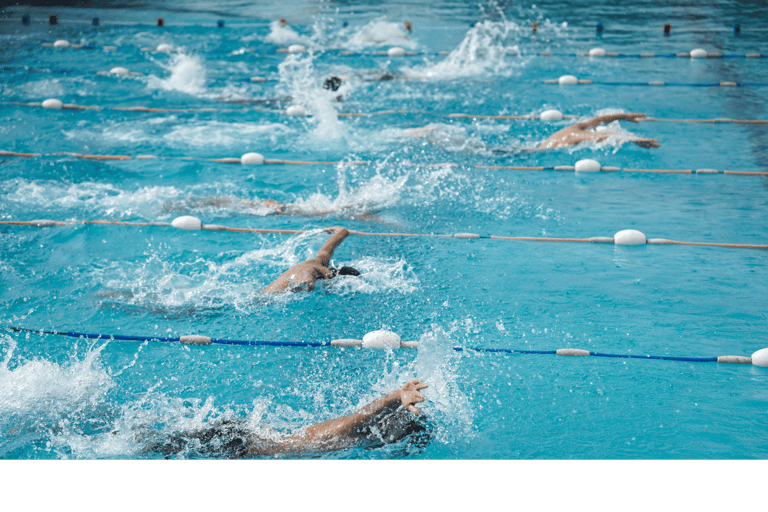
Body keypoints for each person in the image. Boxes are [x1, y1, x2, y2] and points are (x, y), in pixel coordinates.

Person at [144, 379, 430, 458]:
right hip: (241, 445)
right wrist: (396, 396)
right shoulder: (352, 433)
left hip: (247, 439)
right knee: (152, 447)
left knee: (159, 441)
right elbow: (361, 415)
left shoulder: (359, 439)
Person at [260, 226, 360, 294]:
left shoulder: (321, 260)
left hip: (262, 293)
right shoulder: (314, 271)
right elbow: (307, 272)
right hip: (263, 300)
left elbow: (336, 239)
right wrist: (309, 283)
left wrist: (340, 230)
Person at [536, 113, 661, 149]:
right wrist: (634, 139)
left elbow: (597, 120)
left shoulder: (574, 128)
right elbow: (608, 137)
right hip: (537, 154)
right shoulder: (583, 136)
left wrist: (623, 116)